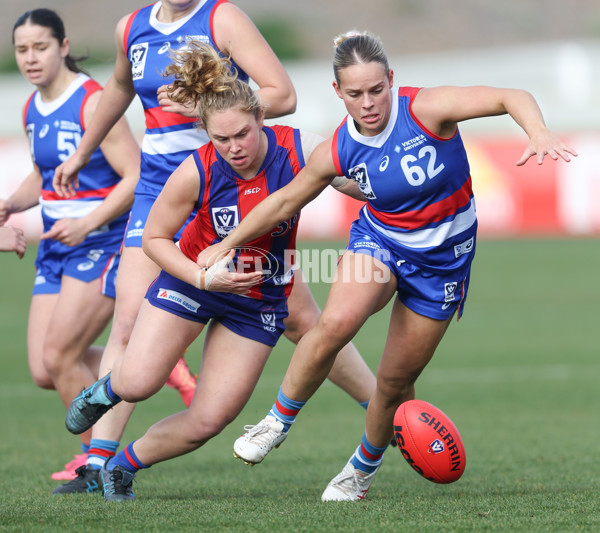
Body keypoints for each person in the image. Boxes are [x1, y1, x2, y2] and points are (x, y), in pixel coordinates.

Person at [191, 30, 578, 502]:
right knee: (335, 323)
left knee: (395, 382)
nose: (368, 102)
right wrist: (227, 243)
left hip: (443, 267)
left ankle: (360, 470)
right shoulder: (338, 150)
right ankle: (275, 422)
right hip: (381, 242)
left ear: (392, 80)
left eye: (377, 89)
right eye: (355, 94)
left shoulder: (427, 109)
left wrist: (536, 130)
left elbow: (509, 95)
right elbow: (284, 200)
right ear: (339, 94)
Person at [52, 0, 376, 495]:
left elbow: (348, 171)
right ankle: (101, 432)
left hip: (255, 295)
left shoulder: (292, 143)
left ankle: (123, 463)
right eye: (223, 137)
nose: (236, 146)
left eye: (244, 132)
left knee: (215, 414)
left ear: (259, 118)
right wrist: (203, 276)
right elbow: (157, 236)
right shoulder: (196, 165)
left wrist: (385, 177)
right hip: (189, 255)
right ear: (207, 133)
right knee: (133, 356)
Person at [3, 8, 139, 481]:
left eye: (40, 47)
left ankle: (95, 461)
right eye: (22, 49)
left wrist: (88, 222)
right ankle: (145, 362)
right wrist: (10, 204)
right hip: (56, 249)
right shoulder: (30, 108)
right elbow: (42, 177)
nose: (30, 58)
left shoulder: (92, 102)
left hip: (100, 242)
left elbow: (135, 176)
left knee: (60, 355)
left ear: (63, 47)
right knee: (45, 370)